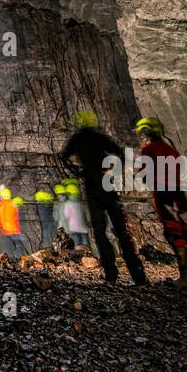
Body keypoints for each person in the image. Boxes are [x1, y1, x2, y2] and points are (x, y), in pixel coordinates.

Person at [60, 110, 148, 286]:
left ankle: (111, 274)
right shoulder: (100, 138)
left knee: (100, 233)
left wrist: (78, 172)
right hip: (108, 188)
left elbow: (64, 158)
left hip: (93, 190)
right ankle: (138, 275)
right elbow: (121, 154)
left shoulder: (77, 139)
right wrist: (112, 169)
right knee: (122, 231)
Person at [135, 116, 187, 292]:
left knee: (173, 233)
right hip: (180, 196)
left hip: (165, 196)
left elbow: (145, 176)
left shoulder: (149, 150)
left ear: (146, 132)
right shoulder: (171, 150)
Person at [0, 185, 30, 259]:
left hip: (6, 232)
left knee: (9, 249)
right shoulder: (14, 204)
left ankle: (12, 260)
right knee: (19, 246)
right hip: (16, 230)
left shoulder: (1, 204)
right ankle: (22, 260)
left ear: (2, 196)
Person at [56, 178, 90, 247]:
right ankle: (88, 255)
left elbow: (66, 216)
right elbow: (88, 216)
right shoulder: (82, 203)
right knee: (86, 244)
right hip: (84, 228)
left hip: (73, 228)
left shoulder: (67, 204)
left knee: (77, 244)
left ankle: (81, 256)